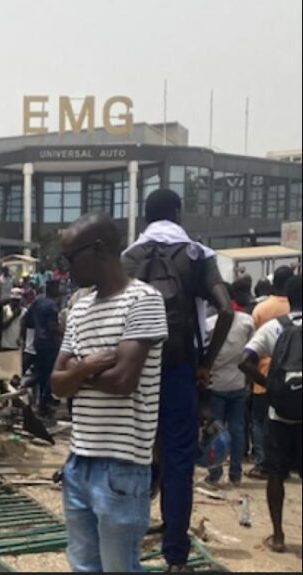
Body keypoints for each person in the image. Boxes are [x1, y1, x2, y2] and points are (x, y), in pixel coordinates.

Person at [121, 189, 233, 572]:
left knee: (133, 457)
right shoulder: (198, 254)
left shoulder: (128, 258)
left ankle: (123, 550)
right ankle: (174, 557)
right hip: (180, 371)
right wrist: (206, 363)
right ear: (178, 213)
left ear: (146, 216)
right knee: (179, 461)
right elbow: (226, 311)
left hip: (133, 372)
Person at [52, 213, 168, 572]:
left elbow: (124, 382)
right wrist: (89, 366)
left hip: (122, 466)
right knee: (84, 567)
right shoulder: (79, 308)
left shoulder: (143, 301)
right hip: (78, 461)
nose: (66, 267)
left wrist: (76, 372)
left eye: (70, 258)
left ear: (99, 249)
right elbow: (55, 384)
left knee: (120, 568)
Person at [239, 275, 302, 554]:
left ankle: (278, 536)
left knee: (276, 474)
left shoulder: (276, 327)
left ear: (289, 298)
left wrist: (272, 387)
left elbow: (245, 361)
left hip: (281, 414)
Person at [245, 265, 294, 480]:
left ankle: (263, 463)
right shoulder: (294, 309)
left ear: (274, 284)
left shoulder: (261, 310)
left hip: (264, 376)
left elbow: (251, 347)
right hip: (294, 380)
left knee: (260, 422)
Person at [204, 283, 255, 487]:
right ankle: (235, 474)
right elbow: (252, 353)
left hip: (216, 384)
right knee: (237, 428)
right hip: (238, 382)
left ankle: (215, 473)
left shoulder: (209, 325)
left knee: (215, 431)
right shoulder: (247, 322)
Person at [23, 281, 62, 425]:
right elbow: (52, 327)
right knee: (47, 378)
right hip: (50, 345)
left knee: (40, 373)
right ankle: (43, 409)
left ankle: (26, 390)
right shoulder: (52, 306)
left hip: (37, 344)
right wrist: (63, 333)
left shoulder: (38, 302)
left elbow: (27, 321)